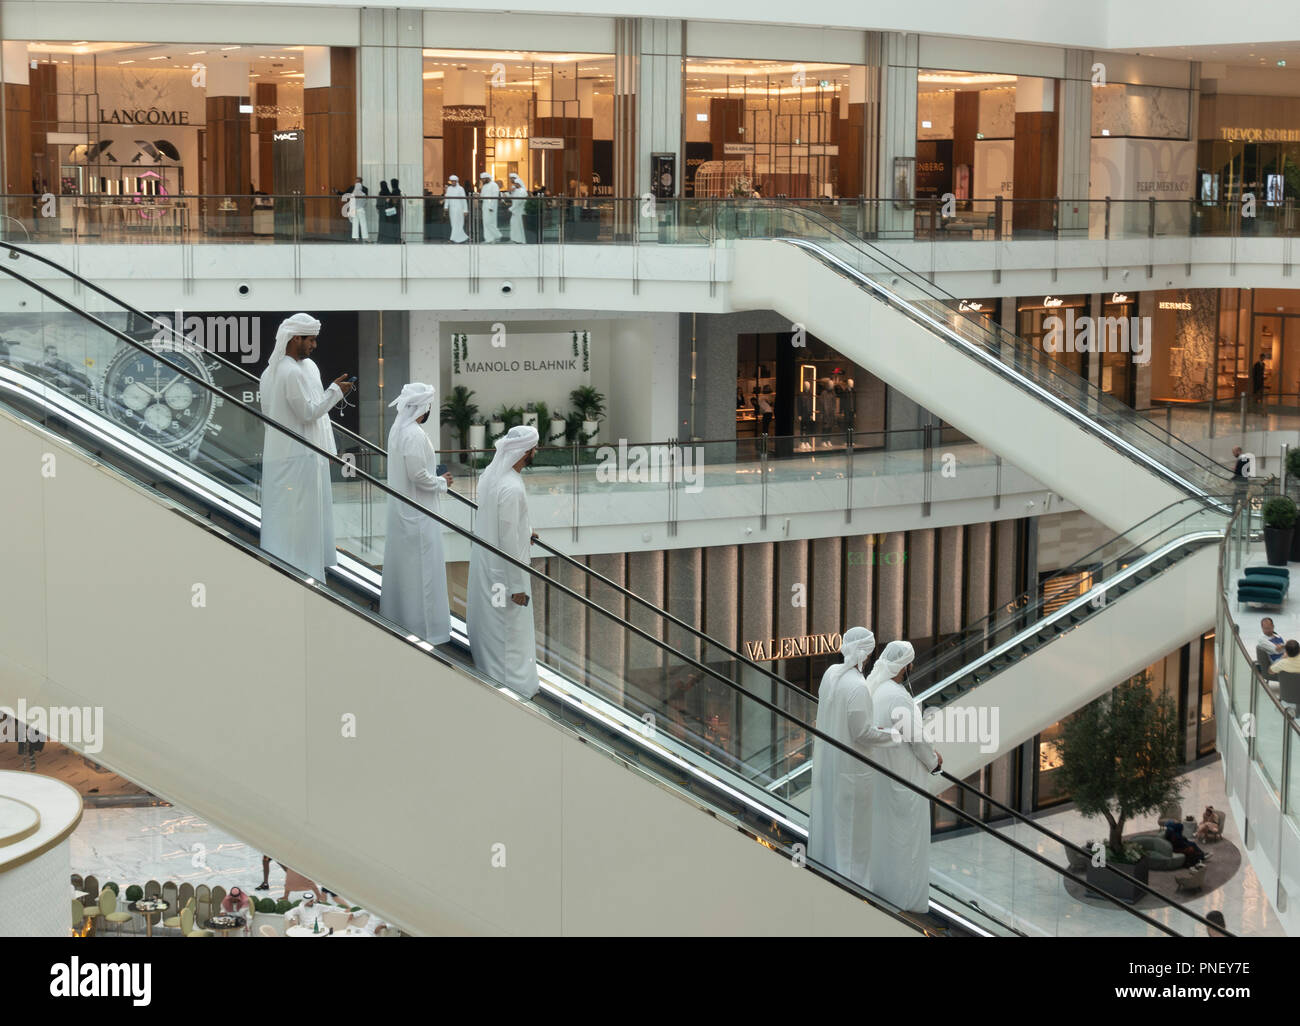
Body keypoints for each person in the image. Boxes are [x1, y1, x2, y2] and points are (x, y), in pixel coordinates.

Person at [259, 313, 353, 581]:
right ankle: (297, 572)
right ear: (294, 338)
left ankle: (305, 570)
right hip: (294, 458)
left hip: (304, 455)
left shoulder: (304, 368)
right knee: (295, 518)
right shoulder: (285, 371)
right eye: (310, 339)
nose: (314, 345)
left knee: (303, 518)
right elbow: (310, 412)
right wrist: (336, 392)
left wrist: (326, 448)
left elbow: (316, 417)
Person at [807, 627, 900, 886]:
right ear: (867, 654)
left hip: (831, 768)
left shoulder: (830, 675)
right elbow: (862, 733)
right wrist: (893, 735)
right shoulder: (858, 686)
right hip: (852, 775)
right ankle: (853, 889)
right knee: (853, 839)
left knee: (833, 832)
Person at [867, 640, 941, 913]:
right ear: (905, 666)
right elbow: (917, 740)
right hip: (905, 778)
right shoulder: (897, 696)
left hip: (883, 775)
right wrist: (934, 760)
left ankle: (885, 893)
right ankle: (906, 900)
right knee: (908, 842)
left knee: (887, 838)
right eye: (911, 663)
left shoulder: (876, 690)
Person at [467, 425, 541, 699]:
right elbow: (508, 539)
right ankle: (514, 689)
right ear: (525, 452)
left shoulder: (492, 476)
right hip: (506, 576)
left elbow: (505, 524)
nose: (537, 451)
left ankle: (500, 681)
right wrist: (517, 586)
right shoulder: (511, 487)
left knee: (496, 629)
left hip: (489, 566)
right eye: (535, 447)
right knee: (509, 634)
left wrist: (527, 531)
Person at [381, 383, 454, 645]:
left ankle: (404, 623)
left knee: (409, 575)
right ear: (422, 407)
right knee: (422, 577)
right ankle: (425, 632)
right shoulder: (412, 433)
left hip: (408, 513)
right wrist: (442, 482)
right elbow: (418, 475)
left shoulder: (398, 429)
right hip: (418, 516)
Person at [478, 171, 501, 243]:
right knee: (485, 223)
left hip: (491, 207)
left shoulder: (494, 185)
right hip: (485, 206)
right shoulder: (484, 186)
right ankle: (489, 239)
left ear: (487, 178)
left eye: (483, 179)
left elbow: (495, 197)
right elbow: (482, 197)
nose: (482, 181)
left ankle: (498, 235)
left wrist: (491, 207)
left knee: (489, 222)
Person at [445, 175, 468, 243]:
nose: (453, 183)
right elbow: (447, 198)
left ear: (456, 181)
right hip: (452, 209)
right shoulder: (449, 188)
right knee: (453, 224)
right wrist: (446, 207)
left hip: (459, 209)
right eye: (452, 181)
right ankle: (463, 238)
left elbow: (464, 200)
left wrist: (465, 210)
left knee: (457, 224)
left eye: (454, 181)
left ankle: (452, 239)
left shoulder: (461, 189)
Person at [345, 176, 368, 241]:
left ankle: (355, 237)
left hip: (354, 210)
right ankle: (365, 237)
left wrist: (350, 211)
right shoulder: (363, 194)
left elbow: (351, 204)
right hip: (361, 210)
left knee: (355, 223)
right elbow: (365, 203)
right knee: (363, 223)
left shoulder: (352, 194)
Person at [507, 173, 528, 243]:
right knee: (514, 224)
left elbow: (518, 202)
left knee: (518, 225)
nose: (514, 185)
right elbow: (511, 197)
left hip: (519, 211)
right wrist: (510, 192)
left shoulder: (522, 191)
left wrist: (511, 208)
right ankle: (514, 239)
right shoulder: (516, 190)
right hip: (515, 211)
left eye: (516, 183)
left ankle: (519, 240)